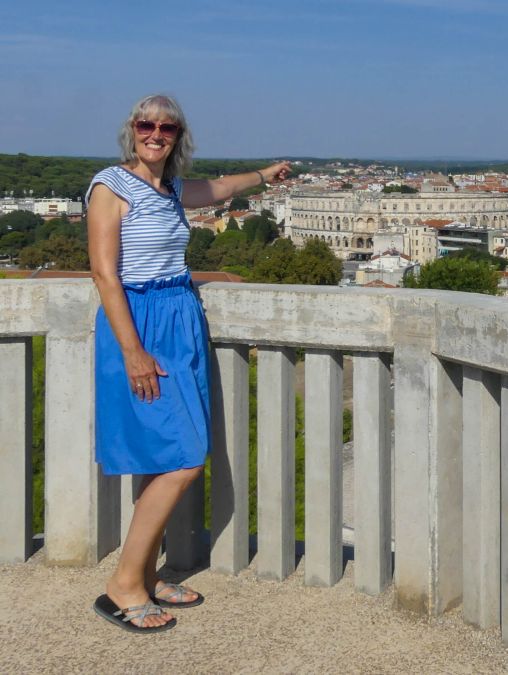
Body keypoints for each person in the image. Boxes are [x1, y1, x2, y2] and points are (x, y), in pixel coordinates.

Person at [86, 94, 289, 633]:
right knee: (184, 457)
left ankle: (147, 576)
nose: (156, 133)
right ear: (132, 129)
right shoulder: (111, 186)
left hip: (180, 319)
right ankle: (124, 584)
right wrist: (133, 351)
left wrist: (266, 174)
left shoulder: (171, 189)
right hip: (142, 323)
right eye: (146, 124)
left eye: (167, 127)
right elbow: (105, 275)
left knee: (163, 455)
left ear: (178, 136)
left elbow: (222, 188)